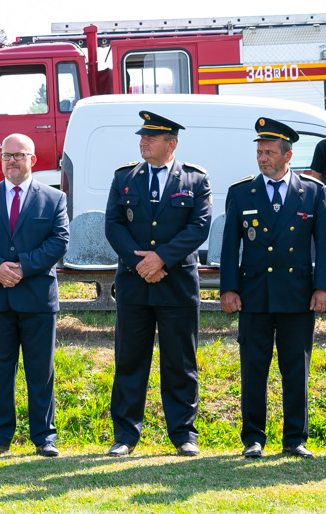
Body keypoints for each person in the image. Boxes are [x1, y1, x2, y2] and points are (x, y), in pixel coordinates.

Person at [220, 118, 326, 459]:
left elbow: (324, 247)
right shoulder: (241, 192)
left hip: (297, 295)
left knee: (296, 368)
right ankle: (253, 438)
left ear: (288, 155)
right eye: (259, 152)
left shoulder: (312, 192)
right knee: (254, 368)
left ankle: (295, 438)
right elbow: (229, 248)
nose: (262, 158)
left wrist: (323, 288)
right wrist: (228, 288)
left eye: (269, 152)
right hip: (254, 295)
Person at [104, 111, 212, 457]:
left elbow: (199, 227)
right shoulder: (124, 177)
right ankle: (125, 436)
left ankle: (183, 434)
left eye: (151, 138)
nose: (143, 142)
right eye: (142, 137)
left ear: (171, 144)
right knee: (130, 359)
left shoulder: (195, 180)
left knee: (180, 362)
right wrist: (141, 263)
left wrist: (161, 258)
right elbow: (114, 225)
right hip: (136, 283)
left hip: (176, 283)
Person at [0, 133, 69, 458]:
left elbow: (59, 240)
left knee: (41, 370)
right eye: (7, 155)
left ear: (32, 160)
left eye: (19, 155)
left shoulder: (54, 199)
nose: (12, 161)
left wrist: (22, 267)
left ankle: (44, 437)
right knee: (0, 369)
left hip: (37, 297)